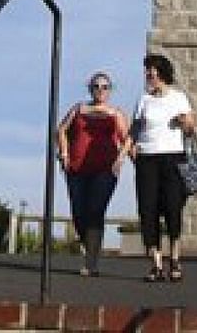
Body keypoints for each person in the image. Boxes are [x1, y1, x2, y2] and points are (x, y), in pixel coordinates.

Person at [130, 54, 195, 282]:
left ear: (162, 73)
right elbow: (135, 128)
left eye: (153, 71)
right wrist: (129, 148)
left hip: (172, 158)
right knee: (147, 210)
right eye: (147, 71)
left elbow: (190, 127)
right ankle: (156, 263)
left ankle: (175, 258)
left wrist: (182, 121)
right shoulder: (143, 99)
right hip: (147, 158)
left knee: (172, 207)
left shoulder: (178, 97)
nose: (149, 75)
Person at [57, 72, 130, 276]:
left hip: (105, 170)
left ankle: (91, 263)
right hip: (76, 168)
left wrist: (122, 157)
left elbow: (128, 138)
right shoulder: (79, 108)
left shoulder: (116, 113)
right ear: (90, 88)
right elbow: (61, 130)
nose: (100, 90)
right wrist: (64, 152)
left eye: (105, 86)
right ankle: (89, 246)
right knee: (79, 212)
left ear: (110, 90)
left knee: (95, 210)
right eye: (96, 86)